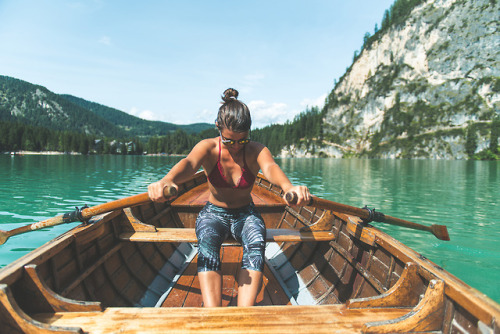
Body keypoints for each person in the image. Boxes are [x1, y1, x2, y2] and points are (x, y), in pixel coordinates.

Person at [148, 88, 310, 307]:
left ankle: (243, 315)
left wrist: (288, 186)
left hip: (246, 214)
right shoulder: (207, 148)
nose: (235, 146)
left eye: (242, 141)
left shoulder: (257, 150)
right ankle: (214, 315)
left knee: (256, 242)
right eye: (229, 140)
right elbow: (189, 164)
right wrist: (167, 180)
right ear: (218, 128)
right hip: (214, 213)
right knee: (206, 242)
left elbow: (271, 168)